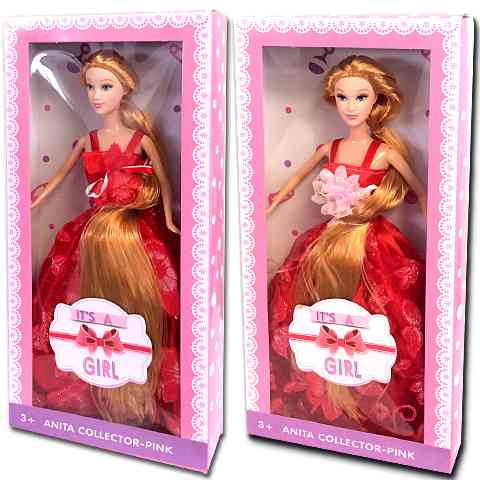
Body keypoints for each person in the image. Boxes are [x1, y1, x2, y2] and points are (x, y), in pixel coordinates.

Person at [267, 55, 426, 441]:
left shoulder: (384, 153)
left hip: (368, 240)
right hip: (330, 238)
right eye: (342, 97)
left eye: (360, 97)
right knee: (313, 300)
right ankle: (328, 385)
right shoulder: (330, 148)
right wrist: (271, 204)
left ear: (377, 100)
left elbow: (420, 191)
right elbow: (295, 180)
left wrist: (436, 221)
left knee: (377, 304)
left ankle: (363, 387)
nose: (350, 106)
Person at [31, 49, 180, 435]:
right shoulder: (88, 140)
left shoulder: (140, 141)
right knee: (75, 291)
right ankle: (90, 376)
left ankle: (139, 383)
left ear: (125, 89)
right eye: (91, 87)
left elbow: (164, 182)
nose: (96, 96)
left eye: (106, 87)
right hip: (94, 231)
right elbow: (59, 176)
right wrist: (37, 197)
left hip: (131, 231)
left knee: (143, 298)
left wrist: (167, 219)